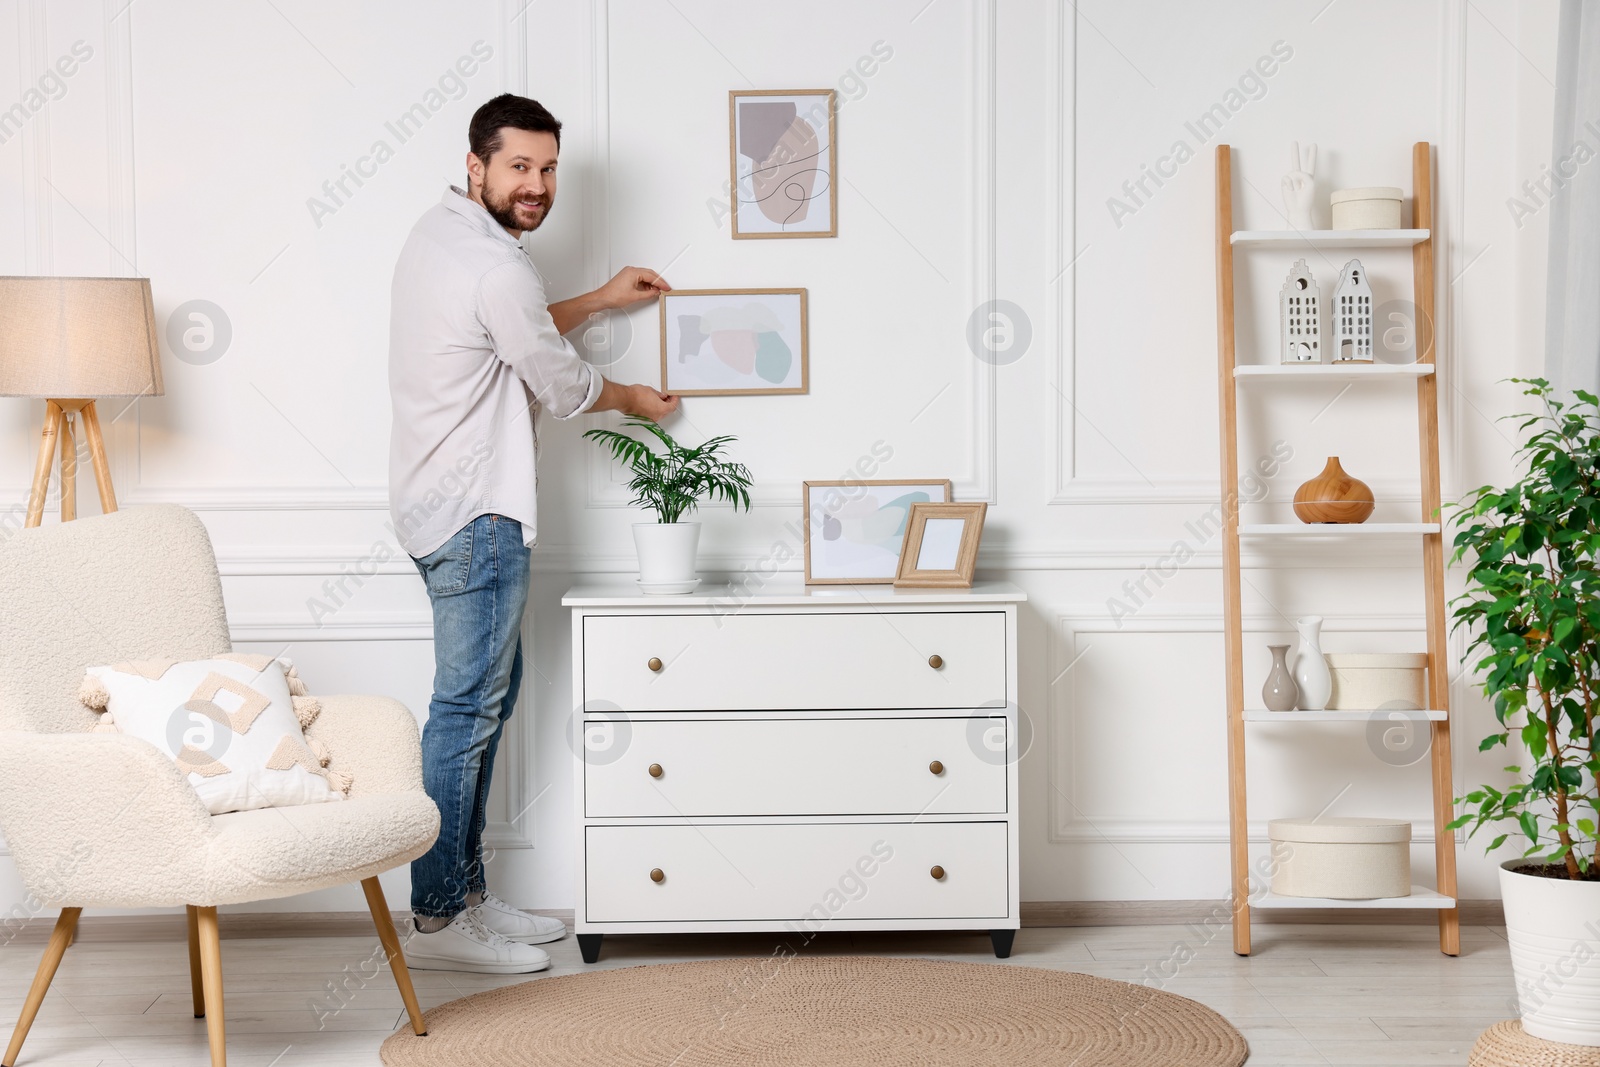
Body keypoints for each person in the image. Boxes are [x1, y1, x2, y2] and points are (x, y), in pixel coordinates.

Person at [387, 93, 678, 974]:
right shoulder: (497, 268)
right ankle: (440, 919)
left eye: (548, 169)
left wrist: (593, 297)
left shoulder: (441, 236)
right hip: (478, 513)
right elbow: (559, 385)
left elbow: (507, 333)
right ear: (476, 165)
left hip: (440, 506)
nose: (537, 186)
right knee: (467, 714)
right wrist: (635, 399)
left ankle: (465, 892)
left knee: (480, 708)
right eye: (519, 167)